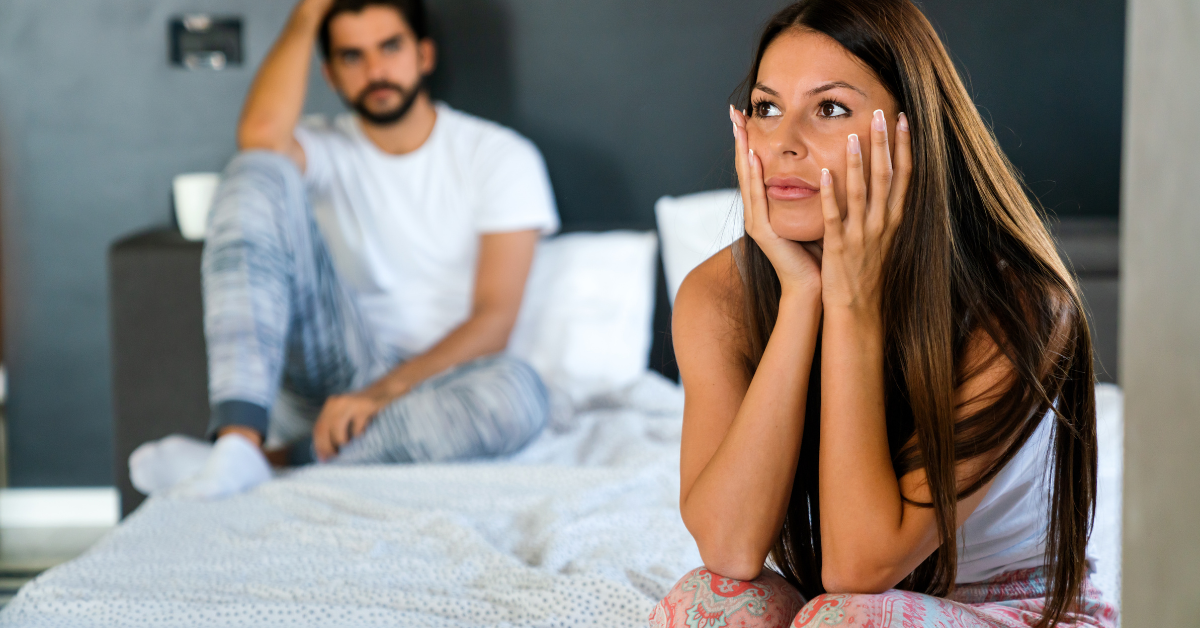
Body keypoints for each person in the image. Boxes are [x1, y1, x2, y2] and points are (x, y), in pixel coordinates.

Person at [650, 1, 1117, 627]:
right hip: (833, 609)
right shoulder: (717, 295)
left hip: (1015, 608)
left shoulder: (1019, 308)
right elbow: (730, 549)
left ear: (910, 131)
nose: (783, 143)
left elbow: (858, 569)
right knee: (705, 602)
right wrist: (801, 297)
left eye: (830, 109)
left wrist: (851, 302)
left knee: (849, 617)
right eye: (766, 108)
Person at [130, 0, 558, 499]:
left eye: (390, 47)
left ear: (424, 55)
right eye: (352, 56)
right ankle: (239, 436)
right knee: (257, 167)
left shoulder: (499, 157)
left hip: (436, 387)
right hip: (329, 369)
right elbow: (260, 137)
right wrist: (308, 13)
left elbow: (495, 319)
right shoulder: (322, 147)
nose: (375, 71)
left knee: (519, 394)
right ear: (330, 74)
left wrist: (381, 393)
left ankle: (273, 462)